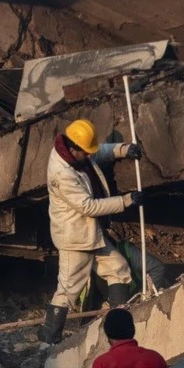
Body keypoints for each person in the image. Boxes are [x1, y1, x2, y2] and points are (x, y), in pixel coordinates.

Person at [40, 118, 143, 344]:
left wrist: (123, 149)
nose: (89, 155)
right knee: (68, 291)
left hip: (90, 234)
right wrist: (126, 200)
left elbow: (96, 154)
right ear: (74, 148)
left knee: (119, 269)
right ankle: (48, 340)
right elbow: (88, 206)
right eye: (85, 152)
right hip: (75, 238)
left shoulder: (75, 155)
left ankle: (120, 327)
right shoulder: (62, 173)